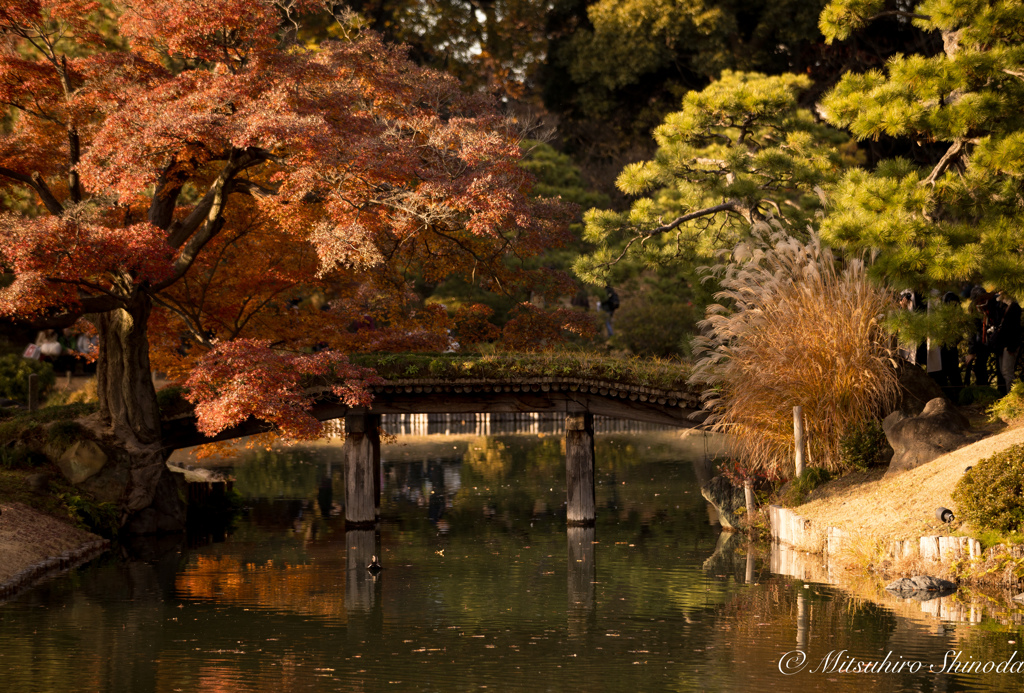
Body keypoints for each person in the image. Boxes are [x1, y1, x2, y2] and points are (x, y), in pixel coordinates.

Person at [992, 291, 1022, 394]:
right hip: (1003, 345)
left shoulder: (1014, 307)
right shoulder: (1001, 306)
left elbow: (1015, 329)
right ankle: (1009, 395)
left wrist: (1012, 347)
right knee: (1004, 372)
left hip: (1009, 345)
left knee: (1007, 372)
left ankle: (1013, 396)